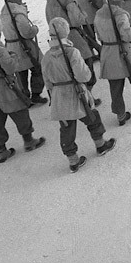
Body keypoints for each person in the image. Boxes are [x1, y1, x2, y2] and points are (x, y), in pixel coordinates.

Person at [42, 17, 115, 173]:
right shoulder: (72, 52)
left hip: (58, 95)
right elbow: (83, 75)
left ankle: (73, 160)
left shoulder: (47, 56)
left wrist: (53, 94)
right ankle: (100, 144)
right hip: (77, 92)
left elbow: (47, 80)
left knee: (66, 128)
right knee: (92, 118)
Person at [0, 18, 45, 163]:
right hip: (4, 87)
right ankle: (29, 141)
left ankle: (2, 150)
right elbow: (10, 67)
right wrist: (13, 56)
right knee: (20, 112)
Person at [45, 0, 100, 99]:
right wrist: (84, 15)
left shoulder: (49, 0)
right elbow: (77, 19)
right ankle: (88, 97)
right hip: (73, 35)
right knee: (85, 64)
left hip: (57, 38)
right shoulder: (68, 0)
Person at [0, 0, 47, 105]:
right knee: (37, 68)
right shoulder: (18, 13)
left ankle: (24, 97)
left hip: (11, 46)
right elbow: (27, 32)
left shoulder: (4, 13)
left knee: (20, 74)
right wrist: (35, 29)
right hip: (24, 46)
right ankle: (36, 94)